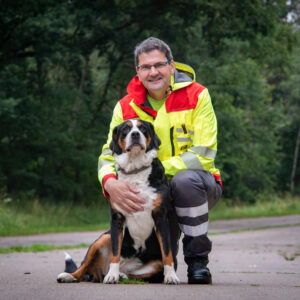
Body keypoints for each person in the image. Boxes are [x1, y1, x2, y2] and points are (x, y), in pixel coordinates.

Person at [98, 37, 222, 284]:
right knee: (154, 274)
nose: (153, 72)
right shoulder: (124, 106)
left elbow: (204, 153)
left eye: (159, 65)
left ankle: (198, 262)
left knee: (184, 182)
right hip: (150, 192)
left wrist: (155, 170)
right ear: (138, 71)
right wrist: (109, 183)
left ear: (172, 66)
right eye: (146, 67)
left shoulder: (198, 95)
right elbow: (107, 154)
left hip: (195, 186)